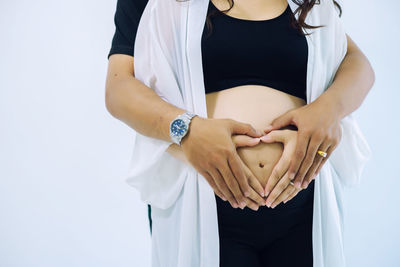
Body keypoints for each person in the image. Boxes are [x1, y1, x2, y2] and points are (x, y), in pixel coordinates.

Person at [105, 0, 374, 266]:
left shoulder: (307, 4)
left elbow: (355, 62)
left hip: (303, 200)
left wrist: (329, 109)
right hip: (201, 198)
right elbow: (119, 88)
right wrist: (187, 129)